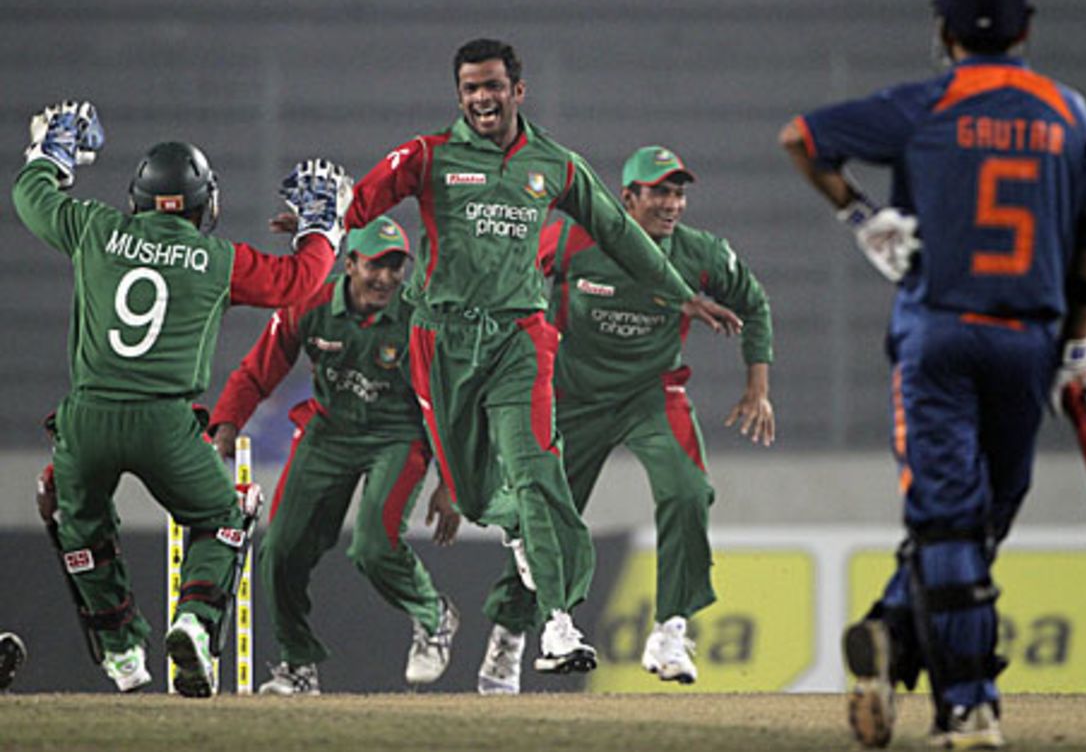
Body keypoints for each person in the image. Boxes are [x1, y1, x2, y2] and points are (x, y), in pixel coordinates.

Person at [779, 0, 1086, 749]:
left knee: (951, 523)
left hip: (937, 336)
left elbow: (802, 138)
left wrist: (862, 215)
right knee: (979, 517)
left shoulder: (928, 104)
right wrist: (1078, 348)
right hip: (1028, 344)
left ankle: (930, 670)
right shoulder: (1069, 114)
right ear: (1028, 28)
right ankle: (941, 676)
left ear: (941, 31)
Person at [342, 38, 743, 675]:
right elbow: (359, 204)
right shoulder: (429, 156)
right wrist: (318, 226)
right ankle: (521, 530)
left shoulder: (553, 163)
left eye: (493, 85)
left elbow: (618, 232)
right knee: (475, 496)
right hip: (441, 342)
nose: (482, 98)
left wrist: (680, 296)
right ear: (460, 96)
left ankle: (559, 623)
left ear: (517, 91)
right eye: (470, 88)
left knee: (536, 471)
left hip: (519, 340)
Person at [12, 101, 346, 697]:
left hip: (85, 420)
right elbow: (300, 281)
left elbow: (29, 197)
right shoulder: (218, 261)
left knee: (81, 527)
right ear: (205, 205)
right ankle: (194, 620)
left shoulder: (95, 229)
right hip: (165, 422)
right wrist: (321, 225)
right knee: (223, 518)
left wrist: (54, 151)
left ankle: (119, 653)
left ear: (137, 198)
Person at [476, 145, 775, 694]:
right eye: (659, 191)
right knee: (545, 519)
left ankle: (671, 629)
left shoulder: (699, 253)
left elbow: (753, 303)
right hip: (572, 396)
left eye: (679, 192)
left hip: (651, 394)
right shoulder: (572, 239)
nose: (672, 203)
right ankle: (511, 632)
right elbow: (505, 271)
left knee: (688, 491)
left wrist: (758, 387)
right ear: (627, 197)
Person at [209, 215, 463, 695]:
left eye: (395, 267)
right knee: (280, 549)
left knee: (373, 545)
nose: (385, 278)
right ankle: (297, 667)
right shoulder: (311, 304)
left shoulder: (416, 318)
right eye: (375, 265)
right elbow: (257, 370)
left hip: (398, 434)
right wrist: (224, 429)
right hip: (328, 431)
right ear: (349, 264)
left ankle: (434, 617)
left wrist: (451, 485)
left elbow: (445, 405)